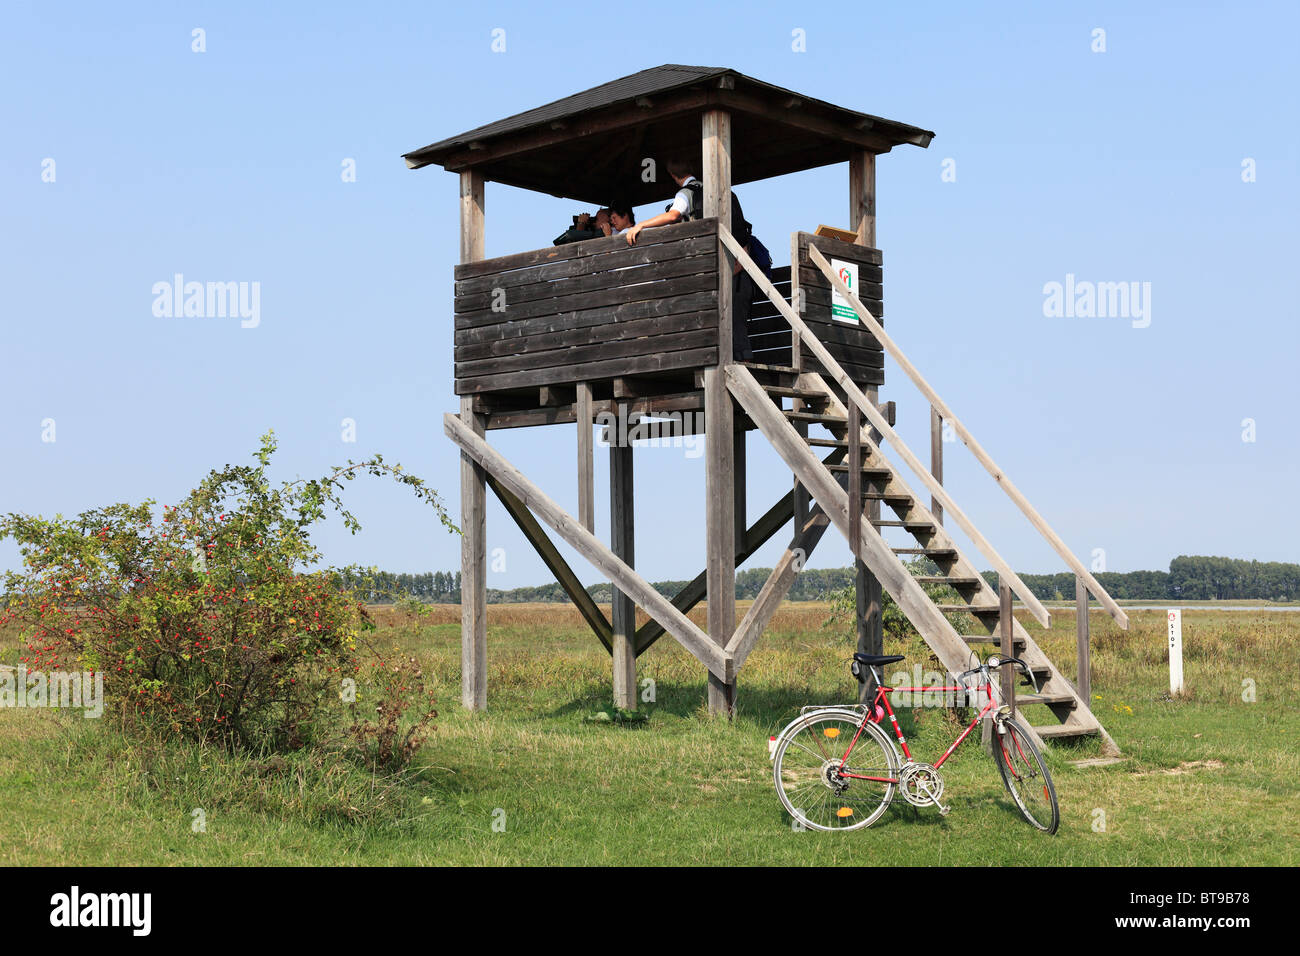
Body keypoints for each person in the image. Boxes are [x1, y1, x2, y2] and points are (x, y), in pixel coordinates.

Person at [624, 158, 755, 361]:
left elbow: (673, 215)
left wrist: (640, 225)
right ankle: (744, 364)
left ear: (674, 177)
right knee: (736, 321)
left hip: (708, 270)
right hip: (738, 265)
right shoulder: (726, 193)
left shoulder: (686, 193)